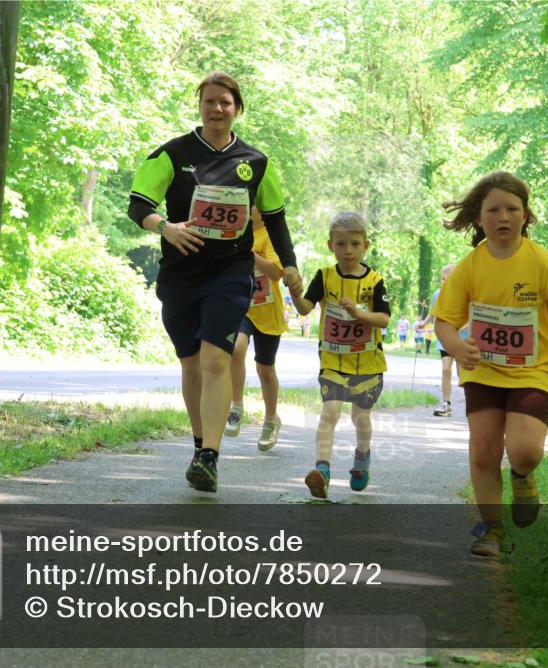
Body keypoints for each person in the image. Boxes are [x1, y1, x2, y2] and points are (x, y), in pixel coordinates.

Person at [128, 72, 302, 493]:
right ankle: (198, 444)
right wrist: (166, 228)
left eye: (225, 102)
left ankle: (211, 454)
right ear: (200, 106)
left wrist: (292, 266)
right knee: (190, 363)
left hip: (230, 271)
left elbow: (275, 217)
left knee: (215, 361)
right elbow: (138, 206)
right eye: (210, 101)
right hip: (181, 273)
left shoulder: (257, 162)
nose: (217, 109)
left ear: (237, 108)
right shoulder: (172, 154)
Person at [432, 172, 548, 558]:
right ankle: (491, 530)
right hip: (483, 369)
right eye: (493, 210)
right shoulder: (470, 266)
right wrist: (457, 346)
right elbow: (445, 321)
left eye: (512, 209)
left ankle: (523, 475)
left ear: (525, 215)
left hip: (535, 371)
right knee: (483, 451)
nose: (503, 216)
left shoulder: (544, 264)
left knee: (524, 450)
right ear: (479, 218)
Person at [288, 212, 390, 499]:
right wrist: (296, 293)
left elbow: (383, 319)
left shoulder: (375, 281)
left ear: (365, 246)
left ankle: (361, 461)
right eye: (342, 244)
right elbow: (306, 309)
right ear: (330, 244)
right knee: (329, 413)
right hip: (332, 361)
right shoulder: (325, 276)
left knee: (361, 418)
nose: (348, 250)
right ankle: (322, 470)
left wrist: (358, 313)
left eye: (355, 244)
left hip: (368, 363)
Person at [224, 208, 287, 450]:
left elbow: (275, 272)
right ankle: (236, 406)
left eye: (256, 206)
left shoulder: (269, 235)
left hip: (268, 311)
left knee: (265, 369)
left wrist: (248, 253)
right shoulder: (234, 232)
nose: (250, 210)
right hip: (242, 307)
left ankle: (271, 419)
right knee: (236, 348)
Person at [419, 264, 469, 417]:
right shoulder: (437, 294)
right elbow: (433, 313)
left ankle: (472, 404)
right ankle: (446, 403)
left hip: (462, 339)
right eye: (442, 279)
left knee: (463, 374)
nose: (443, 282)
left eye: (447, 279)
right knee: (446, 369)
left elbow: (472, 316)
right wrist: (424, 323)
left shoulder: (466, 294)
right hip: (445, 338)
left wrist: (462, 328)